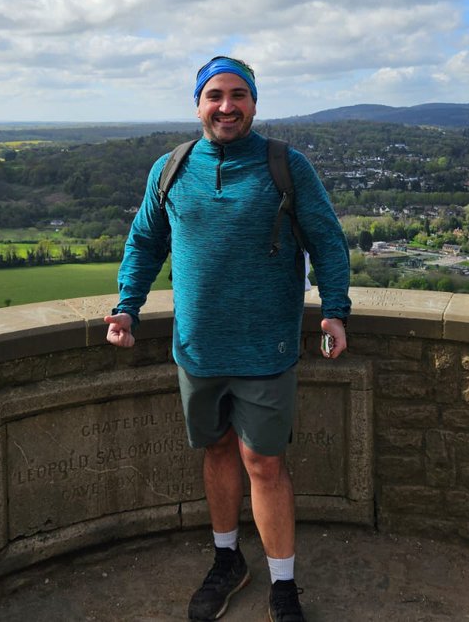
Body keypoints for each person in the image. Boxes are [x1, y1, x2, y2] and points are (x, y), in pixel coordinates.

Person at [104, 55, 351, 622]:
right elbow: (145, 243)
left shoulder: (286, 167)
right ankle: (227, 561)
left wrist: (334, 311)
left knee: (264, 463)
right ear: (198, 104)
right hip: (198, 348)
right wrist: (127, 307)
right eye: (215, 95)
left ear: (255, 103)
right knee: (217, 452)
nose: (226, 106)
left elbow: (328, 243)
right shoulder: (171, 168)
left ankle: (283, 586)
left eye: (238, 95)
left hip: (267, 349)